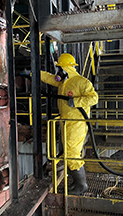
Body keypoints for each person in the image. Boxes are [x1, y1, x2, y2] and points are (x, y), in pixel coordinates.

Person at [41, 53, 98, 195]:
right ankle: (76, 183)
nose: (58, 71)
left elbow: (94, 98)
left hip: (76, 123)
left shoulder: (81, 82)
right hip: (66, 122)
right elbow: (49, 78)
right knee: (66, 152)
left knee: (72, 153)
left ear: (67, 68)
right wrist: (33, 73)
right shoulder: (64, 82)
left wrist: (77, 102)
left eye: (60, 67)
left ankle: (81, 185)